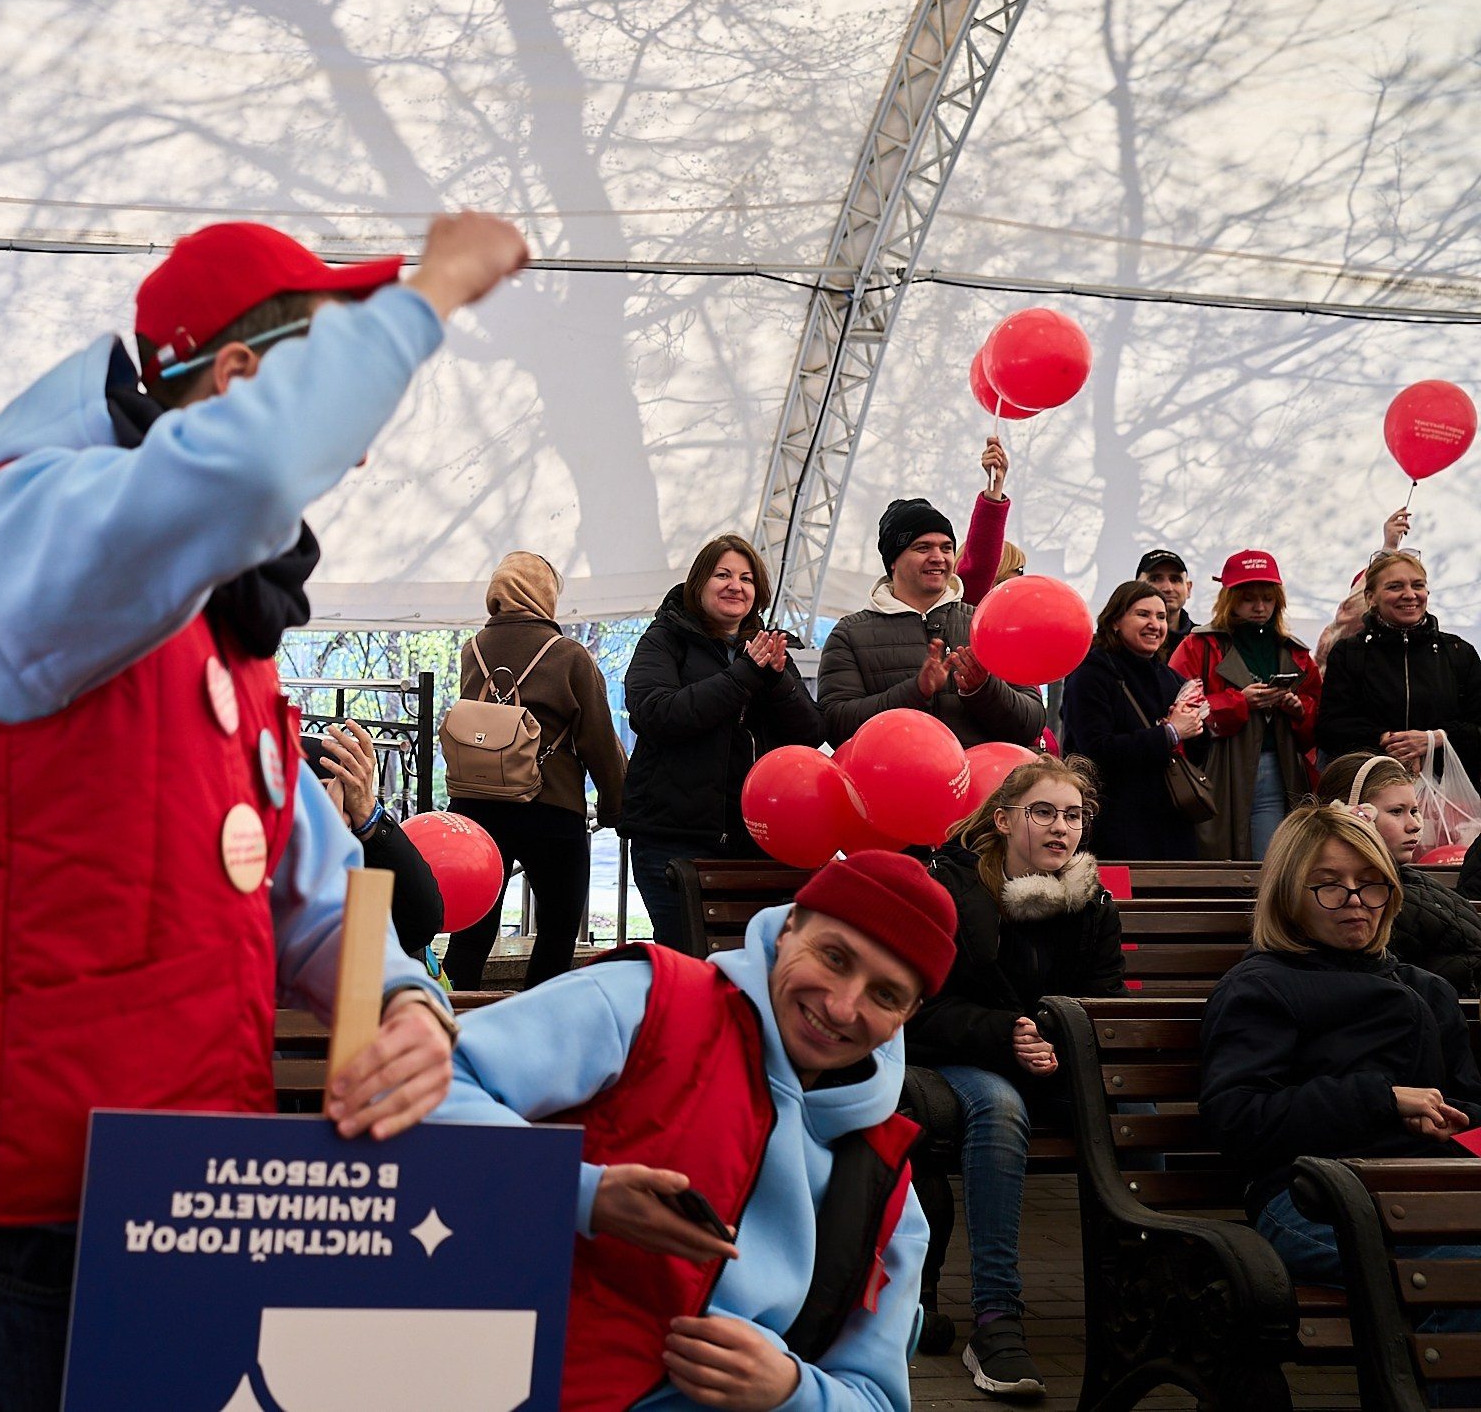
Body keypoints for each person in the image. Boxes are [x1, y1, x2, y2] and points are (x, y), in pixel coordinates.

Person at [0, 214, 504, 1408]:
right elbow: (257, 469)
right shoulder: (23, 527)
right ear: (243, 380)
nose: (352, 455)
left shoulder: (219, 628)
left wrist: (408, 1008)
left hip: (185, 1196)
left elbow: (308, 894)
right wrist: (435, 293)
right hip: (40, 1214)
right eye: (333, 389)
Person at [434, 850, 947, 1412]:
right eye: (834, 957)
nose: (843, 1006)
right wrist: (579, 1194)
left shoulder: (888, 1190)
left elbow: (876, 1397)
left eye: (885, 994)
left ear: (909, 1014)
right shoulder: (646, 1001)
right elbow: (420, 1084)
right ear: (790, 925)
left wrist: (792, 1391)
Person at [1198, 806, 1481, 1307]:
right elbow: (1237, 1118)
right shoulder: (1262, 987)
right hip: (1310, 1197)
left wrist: (1452, 1122)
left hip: (1427, 1186)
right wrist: (1380, 1100)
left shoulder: (1428, 990)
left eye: (1371, 883)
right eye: (1329, 885)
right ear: (1290, 895)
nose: (1355, 901)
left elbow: (1470, 1102)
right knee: (1460, 1271)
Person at [902, 756, 1121, 1398]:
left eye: (1074, 816)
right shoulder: (953, 890)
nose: (1062, 829)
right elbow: (922, 1008)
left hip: (1051, 1060)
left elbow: (1102, 1000)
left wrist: (1055, 1040)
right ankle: (996, 1318)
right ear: (1003, 820)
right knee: (1000, 1109)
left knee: (1138, 1116)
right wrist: (1008, 1034)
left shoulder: (1090, 898)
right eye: (1044, 813)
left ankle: (1155, 1294)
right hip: (957, 1060)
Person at [617, 533, 824, 955]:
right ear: (699, 584)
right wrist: (745, 673)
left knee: (753, 965)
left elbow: (810, 733)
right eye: (723, 574)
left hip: (756, 845)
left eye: (746, 578)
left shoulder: (764, 651)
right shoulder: (664, 639)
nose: (736, 586)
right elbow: (658, 713)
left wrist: (775, 679)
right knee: (688, 961)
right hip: (674, 838)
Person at [443, 552, 629, 990]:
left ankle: (444, 1020)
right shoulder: (569, 656)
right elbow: (598, 739)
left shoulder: (472, 651)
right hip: (551, 808)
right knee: (557, 931)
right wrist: (616, 808)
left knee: (471, 932)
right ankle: (537, 1026)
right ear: (543, 595)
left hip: (476, 808)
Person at [818, 498, 1045, 750]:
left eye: (946, 548)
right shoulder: (849, 634)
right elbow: (835, 726)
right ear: (893, 559)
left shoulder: (987, 624)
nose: (938, 558)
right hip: (893, 784)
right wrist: (915, 691)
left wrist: (983, 688)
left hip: (985, 786)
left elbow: (1030, 724)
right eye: (923, 548)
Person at [1170, 551, 1321, 861]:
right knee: (1213, 857)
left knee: (1270, 862)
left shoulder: (1296, 652)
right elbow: (1178, 710)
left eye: (1267, 598)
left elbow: (1318, 721)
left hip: (1279, 769)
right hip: (1214, 768)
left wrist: (1297, 709)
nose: (1259, 607)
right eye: (1248, 598)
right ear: (1230, 598)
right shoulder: (1199, 645)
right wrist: (1240, 702)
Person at [1062, 582, 1207, 859]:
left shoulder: (1173, 679)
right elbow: (1095, 750)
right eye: (1143, 615)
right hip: (1113, 825)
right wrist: (1170, 734)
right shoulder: (1090, 674)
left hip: (1171, 826)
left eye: (1161, 617)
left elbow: (1197, 755)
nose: (1155, 625)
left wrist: (1198, 726)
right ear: (1115, 621)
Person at [1319, 751, 1481, 993]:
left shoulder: (1415, 883)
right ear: (1353, 815)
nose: (1414, 824)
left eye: (1414, 811)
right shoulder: (1366, 905)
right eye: (1397, 811)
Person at [1320, 548, 1481, 776]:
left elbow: (1477, 728)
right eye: (1395, 587)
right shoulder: (1349, 653)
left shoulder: (1458, 652)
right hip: (1370, 793)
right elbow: (1330, 729)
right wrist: (1386, 741)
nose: (1409, 594)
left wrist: (1434, 739)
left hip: (1448, 796)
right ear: (1370, 598)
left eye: (1417, 585)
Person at [305, 718, 447, 962]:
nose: (337, 813)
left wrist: (366, 813)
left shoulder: (360, 846)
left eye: (344, 798)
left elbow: (420, 925)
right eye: (319, 796)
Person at [956, 437, 1015, 608]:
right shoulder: (970, 611)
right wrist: (994, 489)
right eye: (1018, 570)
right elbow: (979, 566)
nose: (1023, 578)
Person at [1136, 548, 1198, 659]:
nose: (1168, 588)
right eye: (1155, 579)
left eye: (1175, 579)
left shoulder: (1205, 644)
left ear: (1188, 588)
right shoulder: (1118, 644)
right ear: (1135, 588)